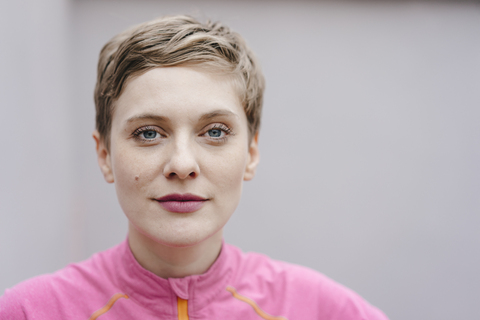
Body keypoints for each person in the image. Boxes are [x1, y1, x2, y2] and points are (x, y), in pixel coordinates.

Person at [0, 15, 389, 320]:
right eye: (149, 133)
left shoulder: (321, 311)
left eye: (215, 131)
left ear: (251, 153)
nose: (182, 164)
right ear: (104, 155)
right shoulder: (27, 312)